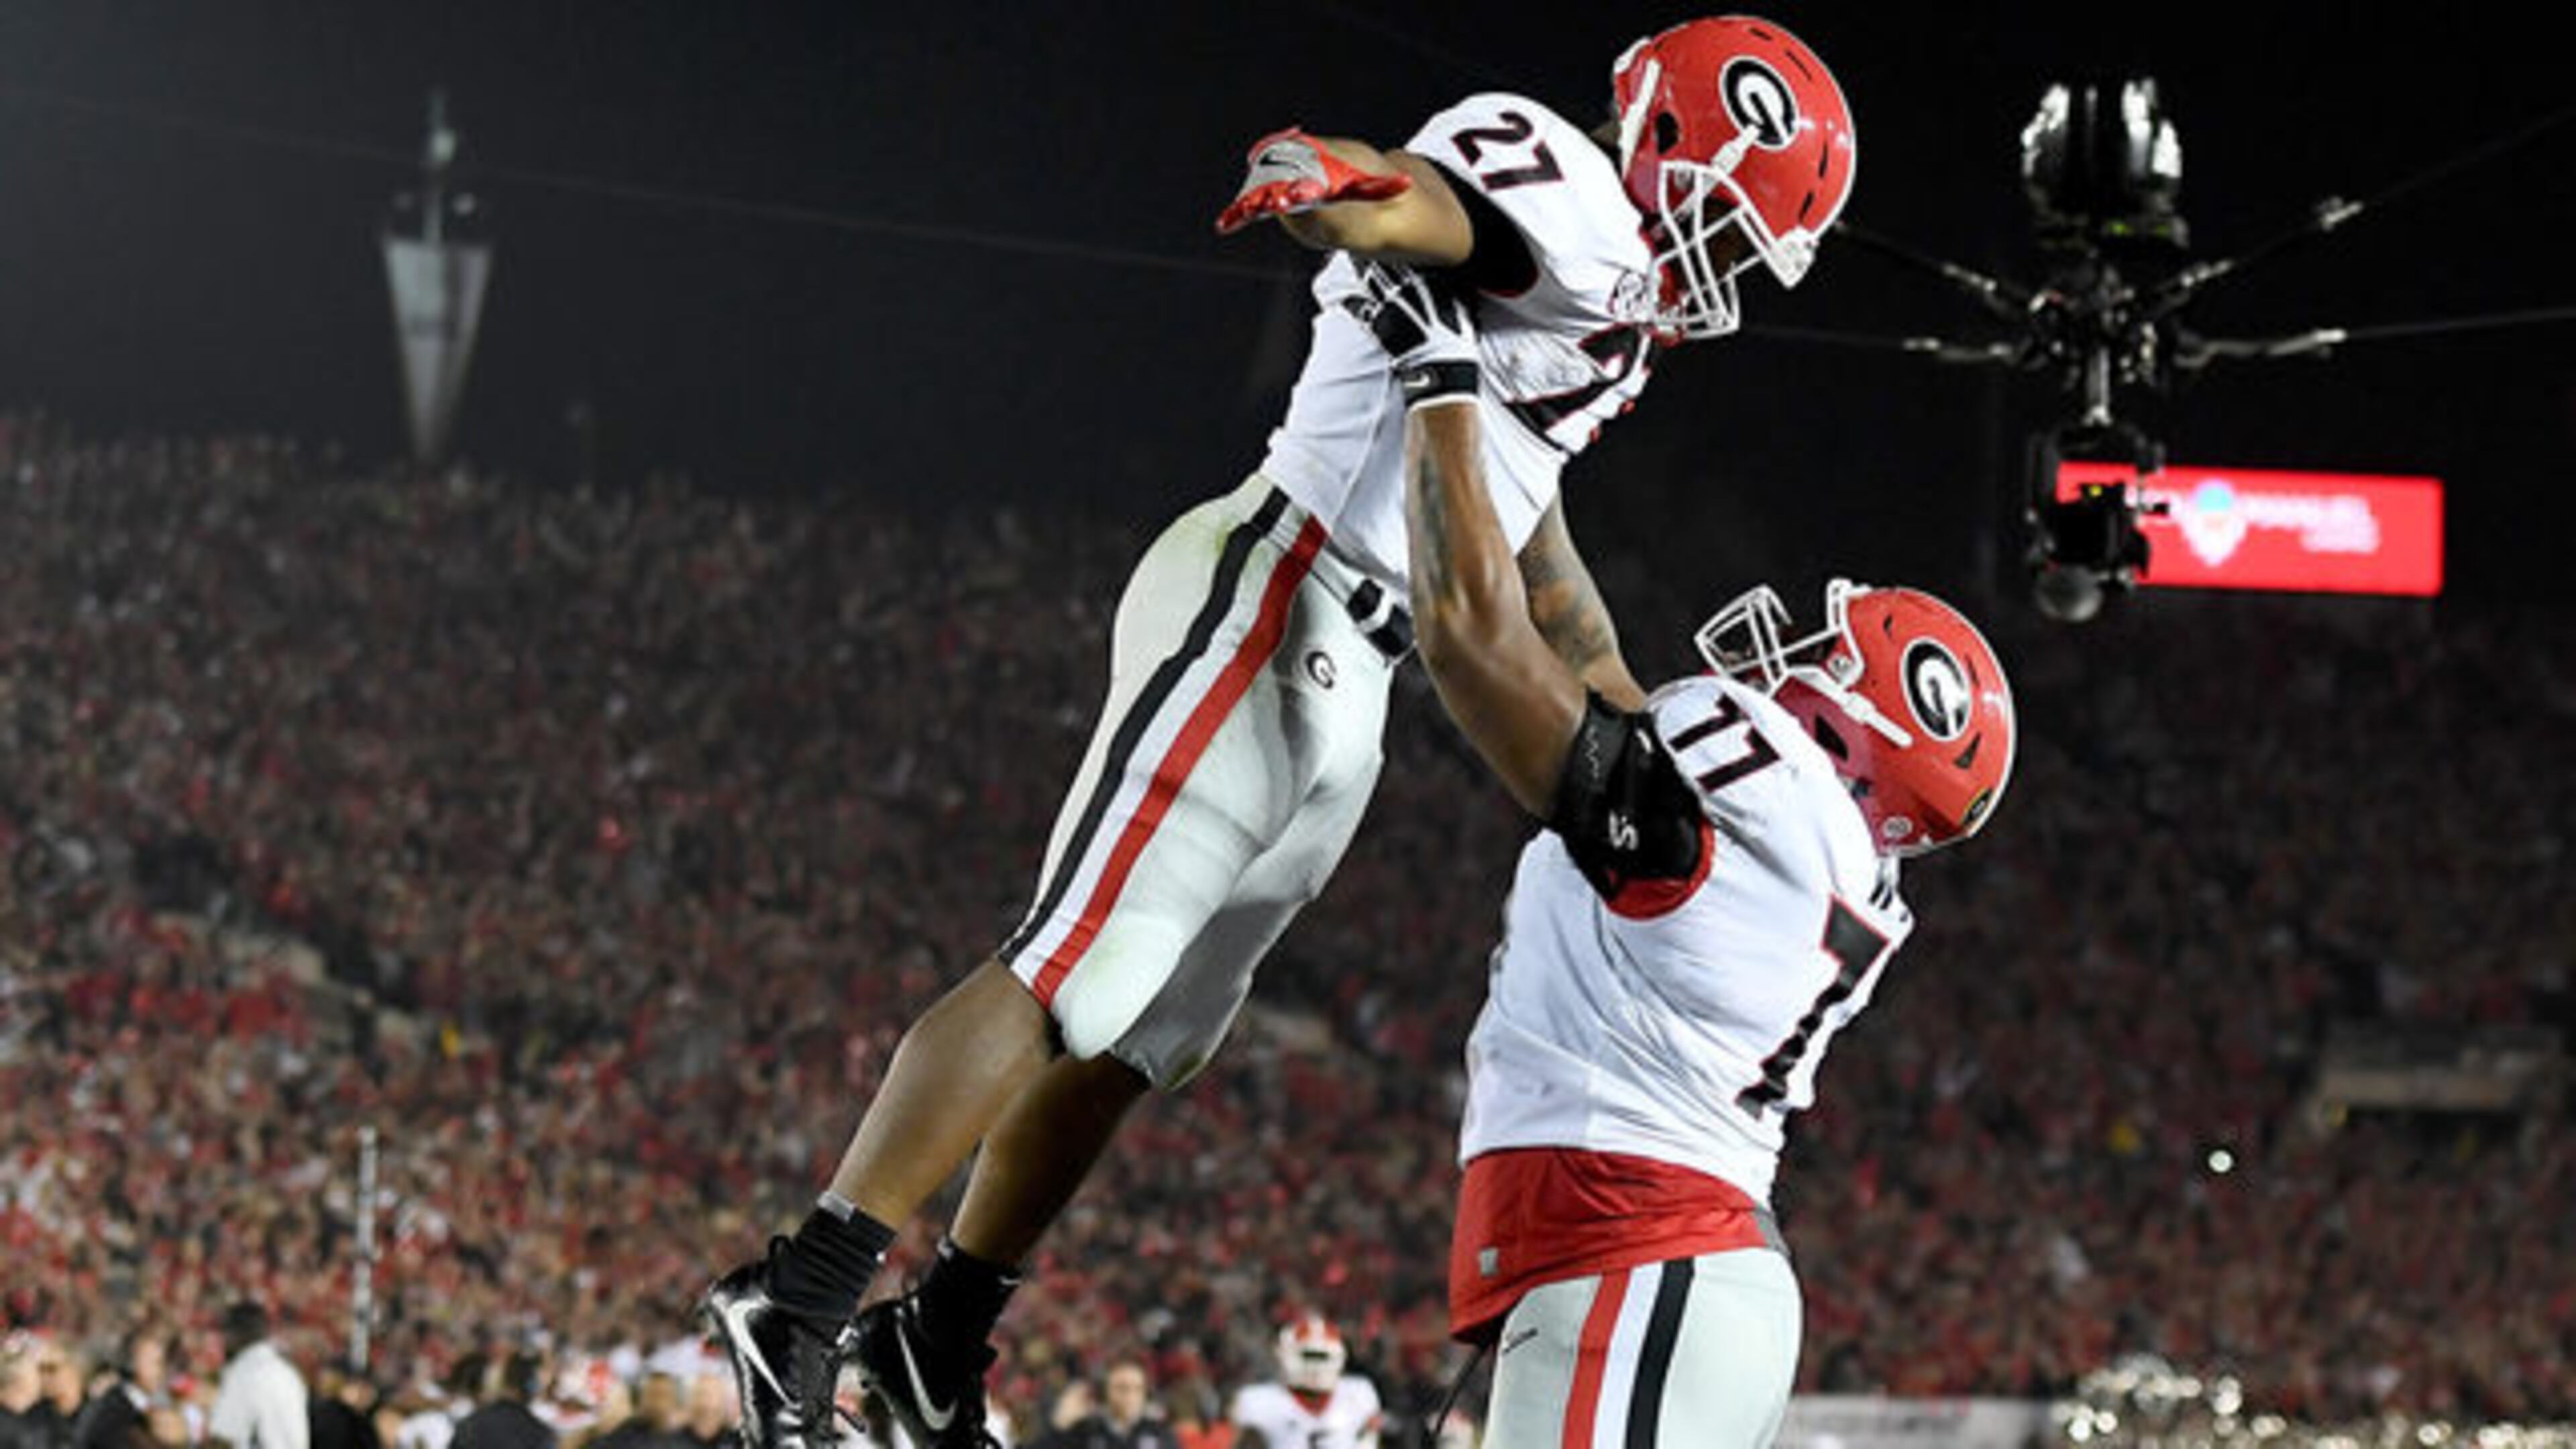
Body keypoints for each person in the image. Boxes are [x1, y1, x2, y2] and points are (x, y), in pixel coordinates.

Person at [703, 16, 1858, 1449]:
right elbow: (1416, 197)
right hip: (1276, 581)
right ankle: (801, 1295)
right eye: (1730, 231)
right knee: (1077, 964)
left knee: (1145, 1037)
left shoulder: (1603, 315)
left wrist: (1621, 700)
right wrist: (1328, 174)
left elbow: (1527, 521)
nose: (1723, 273)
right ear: (1676, 146)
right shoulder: (1566, 187)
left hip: (1348, 672)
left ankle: (941, 1336)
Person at [1371, 250, 2013, 1444]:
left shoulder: (1752, 819)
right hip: (1650, 1255)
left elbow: (1470, 640)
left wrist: (1441, 374)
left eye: (1828, 664)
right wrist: (1531, 445)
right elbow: (1585, 650)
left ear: (1857, 738)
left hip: (1645, 1252)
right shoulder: (1773, 842)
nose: (1793, 664)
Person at [1227, 1315, 1379, 1449]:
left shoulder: (1359, 1394)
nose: (1316, 1366)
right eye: (1310, 1355)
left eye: (1322, 1357)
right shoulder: (1256, 1402)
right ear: (1284, 1355)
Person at [207, 1305, 309, 1449]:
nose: (224, 1341)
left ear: (235, 1334)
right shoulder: (289, 1373)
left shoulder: (242, 1372)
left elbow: (223, 1439)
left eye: (226, 1334)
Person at [1030, 1364, 1173, 1449]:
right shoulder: (1087, 1429)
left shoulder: (1160, 1432)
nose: (1131, 1395)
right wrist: (1059, 1426)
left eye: (1138, 1388)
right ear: (1106, 1393)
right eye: (1122, 1388)